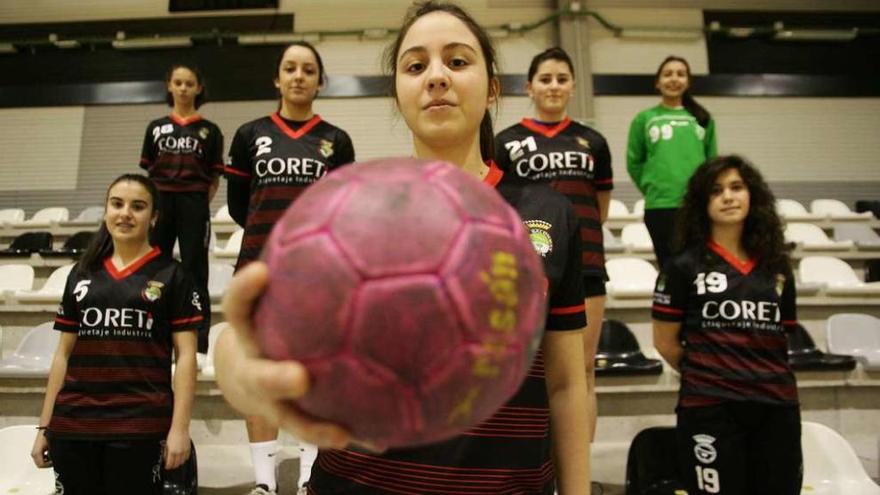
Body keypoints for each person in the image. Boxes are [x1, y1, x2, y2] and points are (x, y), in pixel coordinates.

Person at [214, 2, 590, 494]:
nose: (436, 77)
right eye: (415, 66)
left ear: (493, 87)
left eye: (457, 62)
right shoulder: (348, 209)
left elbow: (565, 383)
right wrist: (238, 367)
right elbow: (250, 342)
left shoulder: (551, 214)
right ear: (397, 92)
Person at [225, 41, 355, 495]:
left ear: (320, 82)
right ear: (277, 79)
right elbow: (242, 207)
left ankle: (307, 478)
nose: (299, 76)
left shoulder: (336, 141)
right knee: (260, 375)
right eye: (290, 69)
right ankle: (264, 483)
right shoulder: (248, 135)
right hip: (259, 271)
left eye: (308, 70)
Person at [30, 173, 201, 495]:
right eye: (117, 204)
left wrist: (180, 428)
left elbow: (187, 357)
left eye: (138, 206)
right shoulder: (81, 274)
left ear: (154, 218)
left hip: (140, 426)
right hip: (74, 425)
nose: (125, 213)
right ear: (106, 210)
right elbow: (63, 355)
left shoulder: (173, 275)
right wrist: (45, 426)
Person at [651, 155, 802, 494]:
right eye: (716, 191)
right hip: (710, 409)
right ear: (702, 204)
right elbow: (665, 342)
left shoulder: (777, 268)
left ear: (753, 196)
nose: (728, 197)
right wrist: (712, 371)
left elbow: (784, 333)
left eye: (736, 187)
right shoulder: (682, 267)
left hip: (776, 408)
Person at [495, 46, 611, 447]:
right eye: (545, 78)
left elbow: (601, 207)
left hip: (588, 267)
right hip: (525, 272)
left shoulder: (592, 141)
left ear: (573, 85)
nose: (554, 85)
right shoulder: (505, 142)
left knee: (582, 371)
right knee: (529, 372)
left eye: (562, 78)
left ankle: (577, 470)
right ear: (529, 87)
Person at [140, 64, 223, 357]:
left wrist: (197, 202)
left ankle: (198, 342)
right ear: (169, 86)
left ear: (199, 88)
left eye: (190, 83)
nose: (184, 88)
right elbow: (148, 173)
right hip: (161, 204)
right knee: (155, 268)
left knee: (194, 272)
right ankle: (154, 332)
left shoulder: (210, 131)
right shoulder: (155, 127)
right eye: (178, 82)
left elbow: (214, 178)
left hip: (194, 204)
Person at [626, 55, 717, 268]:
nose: (674, 79)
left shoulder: (703, 119)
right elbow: (634, 162)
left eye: (680, 74)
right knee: (670, 267)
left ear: (688, 81)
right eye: (667, 74)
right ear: (658, 82)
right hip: (660, 206)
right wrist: (654, 187)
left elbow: (712, 164)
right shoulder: (644, 119)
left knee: (699, 267)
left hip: (696, 206)